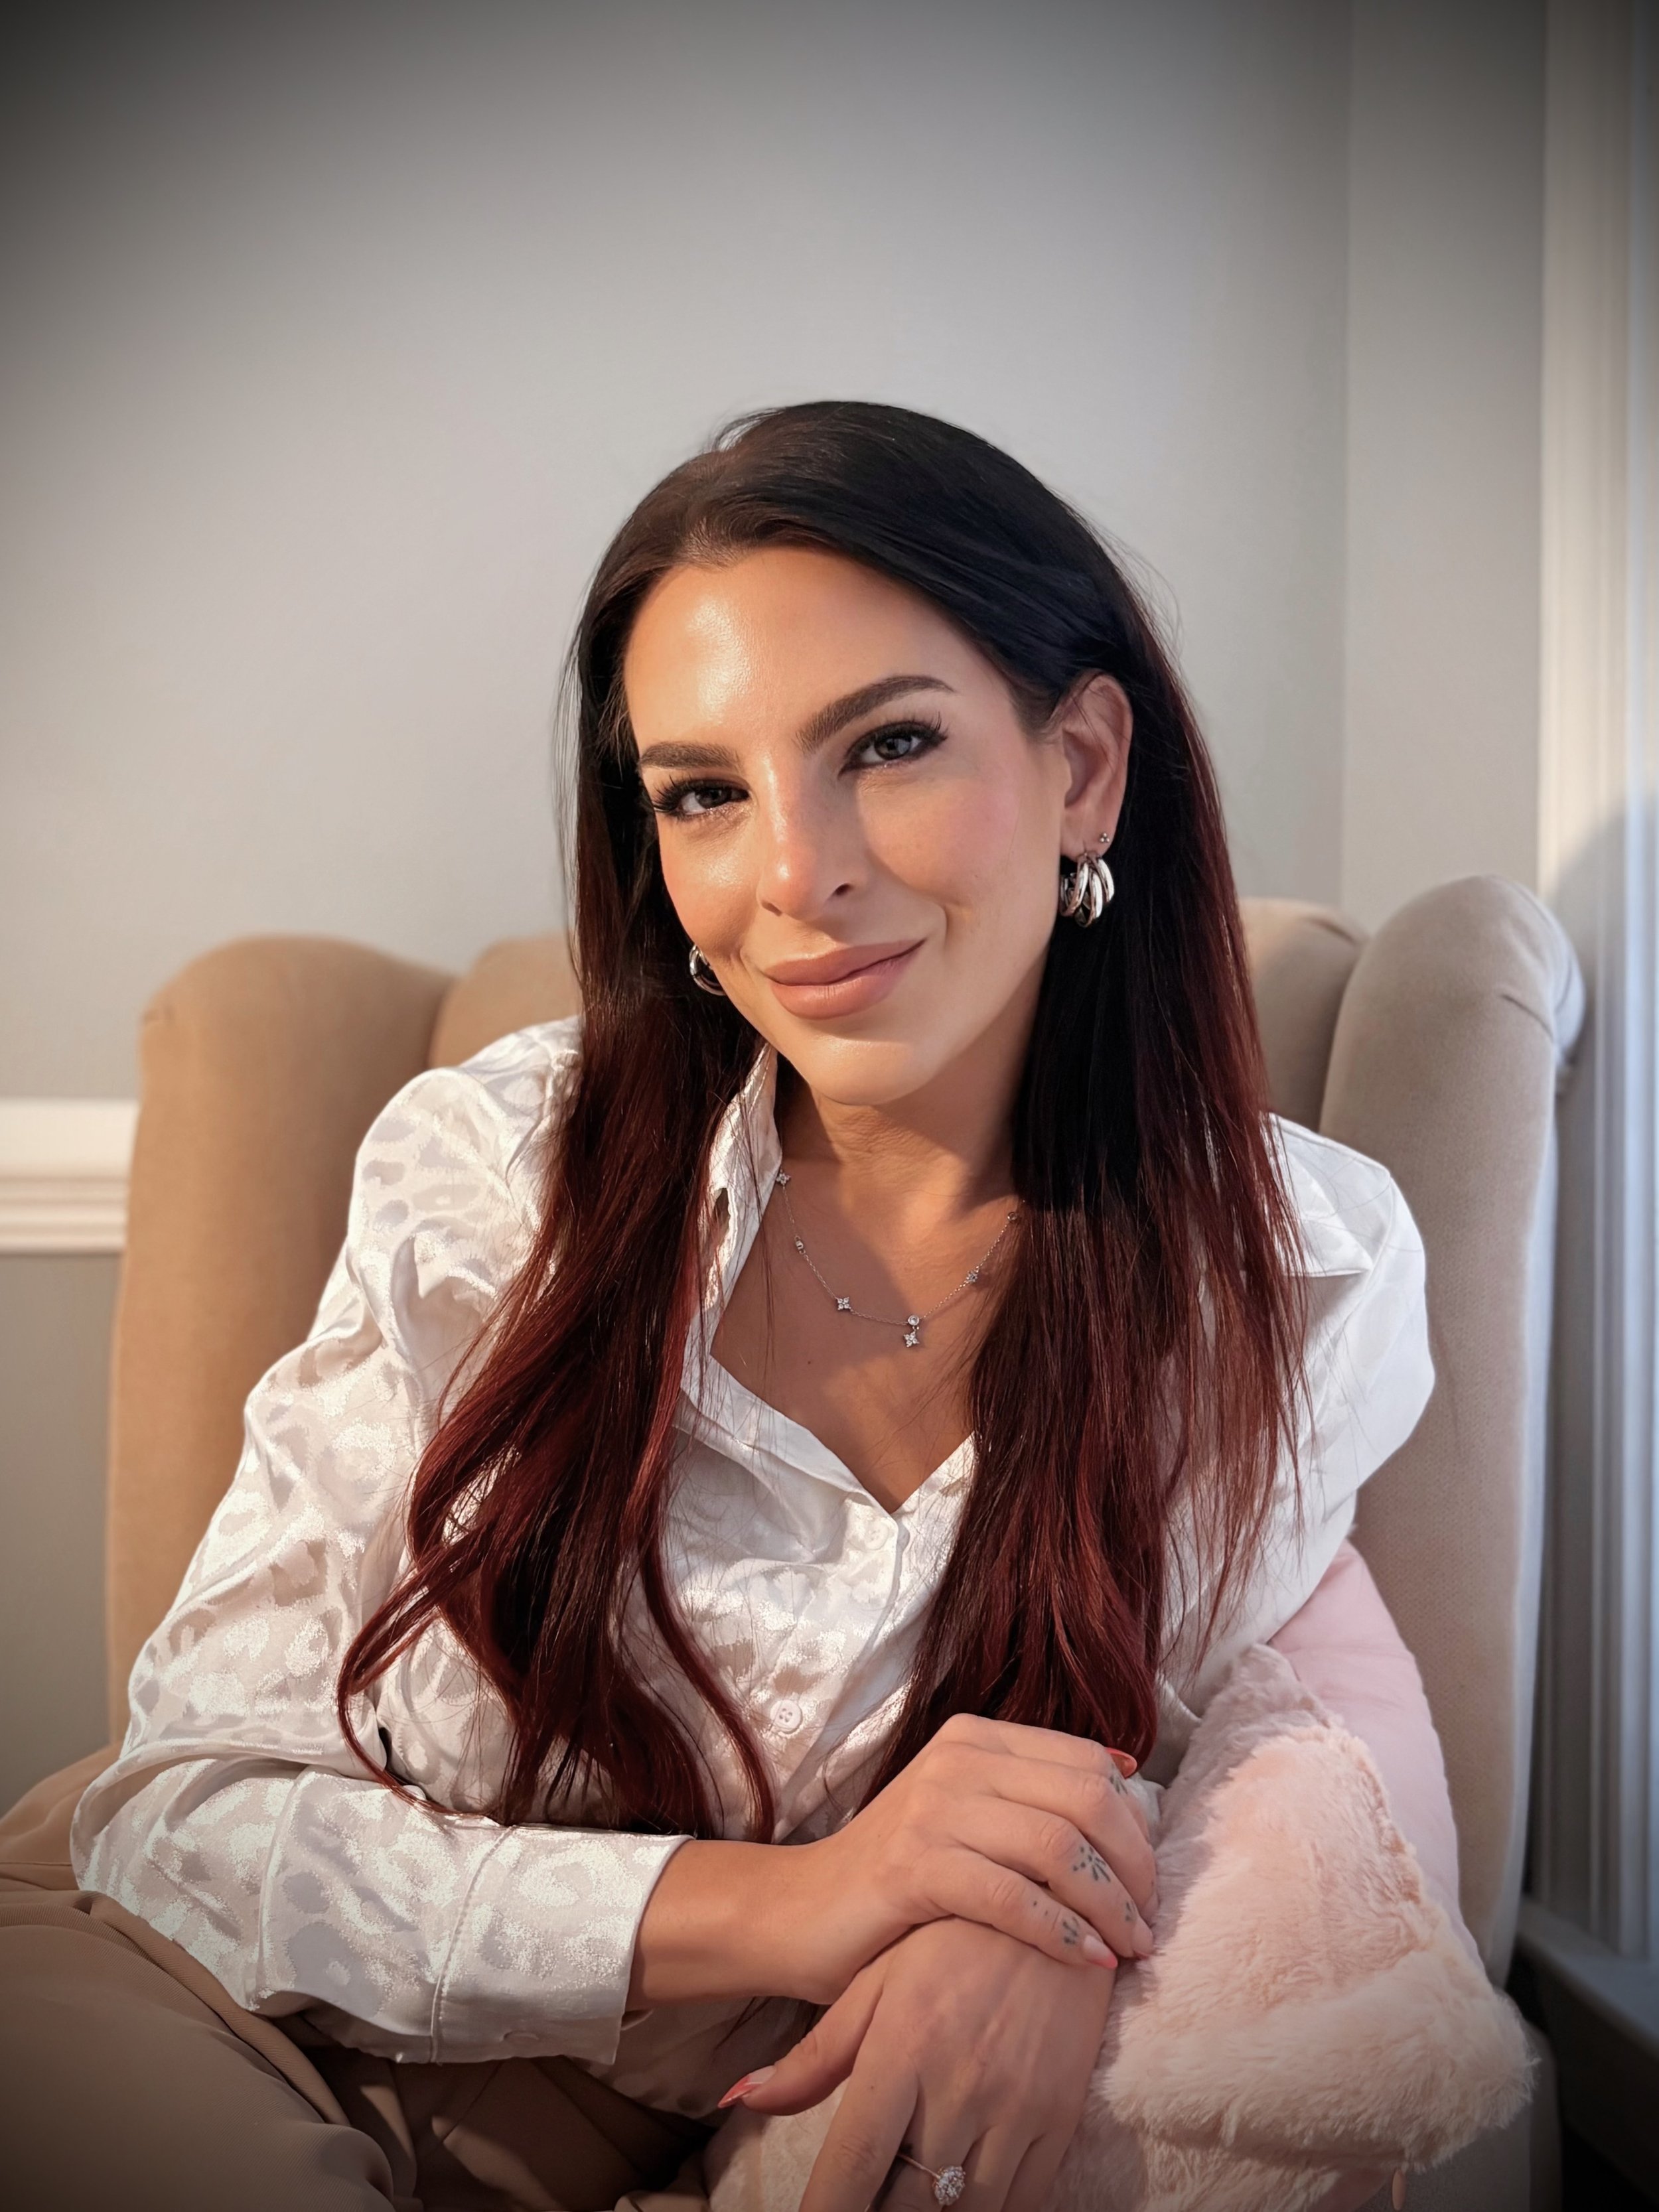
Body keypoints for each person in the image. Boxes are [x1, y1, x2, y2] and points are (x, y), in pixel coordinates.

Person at [8, 402, 1456, 2211]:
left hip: (726, 2103)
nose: (794, 874)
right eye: (703, 791)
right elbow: (184, 1816)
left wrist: (1040, 1926)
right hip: (222, 2006)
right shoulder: (497, 1176)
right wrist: (818, 1898)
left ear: (1084, 762)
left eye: (890, 746)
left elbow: (1224, 1730)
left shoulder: (1298, 1272)